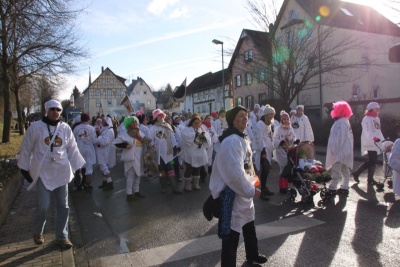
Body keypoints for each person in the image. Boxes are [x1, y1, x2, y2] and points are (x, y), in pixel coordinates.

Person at [18, 99, 85, 249]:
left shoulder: (65, 128)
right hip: (43, 173)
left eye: (58, 109)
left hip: (61, 172)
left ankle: (62, 236)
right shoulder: (36, 128)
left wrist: (78, 169)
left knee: (63, 205)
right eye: (52, 109)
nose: (56, 112)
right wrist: (24, 168)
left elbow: (72, 149)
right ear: (46, 110)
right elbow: (26, 147)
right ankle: (37, 231)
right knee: (43, 205)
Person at [209, 105, 267, 266]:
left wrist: (254, 182)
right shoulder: (231, 141)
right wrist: (250, 190)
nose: (245, 118)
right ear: (232, 120)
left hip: (244, 192)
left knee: (249, 225)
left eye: (246, 115)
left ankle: (252, 254)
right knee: (232, 233)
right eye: (241, 115)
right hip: (234, 194)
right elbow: (234, 174)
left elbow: (248, 166)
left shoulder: (241, 138)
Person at [148, 109, 182, 194]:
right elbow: (150, 140)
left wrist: (175, 147)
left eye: (162, 115)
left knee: (171, 170)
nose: (161, 117)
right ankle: (163, 187)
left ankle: (174, 188)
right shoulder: (153, 128)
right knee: (161, 171)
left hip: (169, 153)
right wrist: (153, 145)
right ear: (156, 117)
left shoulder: (167, 126)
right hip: (158, 153)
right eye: (159, 115)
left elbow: (172, 138)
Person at [113, 116, 146, 201]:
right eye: (132, 122)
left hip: (139, 157)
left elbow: (145, 140)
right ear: (129, 124)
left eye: (135, 122)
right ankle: (129, 194)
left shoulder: (140, 132)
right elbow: (115, 143)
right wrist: (125, 145)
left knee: (138, 175)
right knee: (131, 176)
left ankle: (136, 191)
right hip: (131, 157)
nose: (134, 123)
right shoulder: (125, 133)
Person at [324, 101, 354, 194]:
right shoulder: (345, 121)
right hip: (346, 150)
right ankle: (345, 186)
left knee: (336, 169)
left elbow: (339, 137)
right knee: (345, 168)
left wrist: (334, 150)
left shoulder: (341, 122)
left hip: (340, 151)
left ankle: (333, 187)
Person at [352, 102, 384, 185]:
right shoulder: (366, 119)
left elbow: (378, 130)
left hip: (376, 142)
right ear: (371, 108)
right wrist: (373, 138)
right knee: (372, 160)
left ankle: (370, 179)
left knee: (373, 160)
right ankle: (357, 173)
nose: (378, 109)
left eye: (378, 108)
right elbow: (367, 131)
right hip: (370, 142)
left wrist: (382, 139)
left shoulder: (377, 118)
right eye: (376, 108)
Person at [181, 114, 211, 191]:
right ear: (192, 122)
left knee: (197, 168)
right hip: (190, 153)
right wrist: (196, 135)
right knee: (189, 169)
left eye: (199, 123)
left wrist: (204, 137)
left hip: (199, 153)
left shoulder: (202, 130)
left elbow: (208, 141)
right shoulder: (186, 129)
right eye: (195, 123)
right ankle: (187, 185)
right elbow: (186, 138)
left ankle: (196, 184)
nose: (197, 124)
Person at [254, 104, 276, 200]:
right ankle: (262, 191)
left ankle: (264, 187)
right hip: (262, 150)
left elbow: (269, 136)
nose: (272, 116)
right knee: (265, 169)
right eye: (270, 114)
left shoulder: (268, 124)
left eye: (272, 114)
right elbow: (259, 138)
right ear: (266, 115)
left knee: (267, 170)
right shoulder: (260, 124)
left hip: (268, 149)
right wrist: (263, 151)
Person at [273, 111, 297, 193]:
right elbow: (275, 139)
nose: (286, 121)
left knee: (288, 168)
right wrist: (281, 142)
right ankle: (281, 186)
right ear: (282, 120)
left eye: (287, 119)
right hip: (281, 151)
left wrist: (295, 141)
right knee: (283, 168)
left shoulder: (290, 128)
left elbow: (293, 137)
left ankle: (286, 185)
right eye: (284, 119)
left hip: (289, 151)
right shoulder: (278, 129)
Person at [73, 113, 97, 192]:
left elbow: (73, 140)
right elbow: (94, 140)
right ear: (88, 119)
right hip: (89, 149)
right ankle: (87, 184)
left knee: (79, 167)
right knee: (88, 167)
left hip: (79, 148)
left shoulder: (76, 128)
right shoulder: (91, 128)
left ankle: (78, 184)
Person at [96, 117, 116, 191]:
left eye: (104, 120)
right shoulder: (105, 129)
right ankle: (105, 181)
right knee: (103, 166)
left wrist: (98, 138)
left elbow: (104, 142)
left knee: (103, 166)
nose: (102, 122)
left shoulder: (108, 131)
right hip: (103, 151)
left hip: (103, 151)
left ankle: (109, 182)